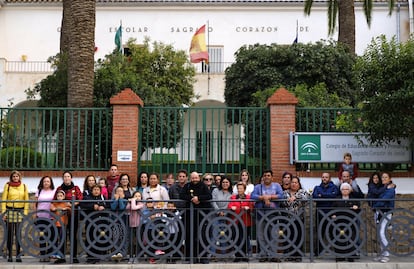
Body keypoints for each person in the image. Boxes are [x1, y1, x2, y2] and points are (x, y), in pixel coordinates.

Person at [251, 169, 284, 262]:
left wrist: (269, 197)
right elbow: (253, 196)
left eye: (268, 175)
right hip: (260, 214)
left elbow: (281, 195)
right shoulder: (258, 187)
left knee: (274, 235)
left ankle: (273, 255)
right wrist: (263, 197)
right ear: (263, 177)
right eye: (265, 175)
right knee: (261, 235)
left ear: (272, 177)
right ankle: (263, 255)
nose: (266, 177)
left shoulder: (277, 186)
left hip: (273, 215)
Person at [180, 171, 212, 264]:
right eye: (193, 178)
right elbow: (182, 195)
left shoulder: (203, 185)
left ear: (199, 178)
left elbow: (209, 196)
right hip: (189, 216)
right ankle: (190, 257)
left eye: (196, 178)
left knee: (203, 236)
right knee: (190, 236)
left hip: (202, 216)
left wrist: (199, 198)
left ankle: (203, 257)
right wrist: (191, 199)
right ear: (190, 178)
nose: (195, 179)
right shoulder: (187, 186)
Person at [53, 170, 83, 264]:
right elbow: (54, 200)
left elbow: (80, 199)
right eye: (65, 177)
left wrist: (72, 205)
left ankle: (73, 257)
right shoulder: (59, 188)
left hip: (73, 215)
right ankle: (61, 257)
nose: (66, 178)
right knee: (62, 236)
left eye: (68, 176)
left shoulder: (76, 188)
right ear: (63, 178)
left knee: (73, 236)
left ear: (71, 178)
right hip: (61, 216)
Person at [1, 170, 29, 263]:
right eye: (14, 176)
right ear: (11, 178)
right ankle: (9, 254)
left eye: (17, 176)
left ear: (19, 177)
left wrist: (25, 213)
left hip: (19, 212)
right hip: (9, 211)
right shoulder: (8, 186)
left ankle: (18, 255)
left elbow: (26, 200)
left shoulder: (24, 186)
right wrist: (3, 213)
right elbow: (4, 199)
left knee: (18, 234)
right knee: (9, 233)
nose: (15, 178)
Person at [281, 176, 310, 262]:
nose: (294, 184)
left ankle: (297, 255)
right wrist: (289, 200)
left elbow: (306, 199)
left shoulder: (302, 192)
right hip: (287, 219)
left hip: (298, 218)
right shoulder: (285, 192)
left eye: (296, 182)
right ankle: (288, 255)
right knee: (288, 237)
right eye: (292, 182)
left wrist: (295, 197)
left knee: (298, 236)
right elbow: (282, 202)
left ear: (299, 184)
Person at [331, 183, 361, 262]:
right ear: (340, 190)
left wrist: (356, 207)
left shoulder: (354, 199)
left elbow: (359, 210)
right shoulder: (337, 199)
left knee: (351, 239)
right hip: (339, 223)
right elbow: (332, 209)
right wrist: (333, 215)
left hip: (351, 223)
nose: (345, 191)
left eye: (347, 189)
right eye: (343, 189)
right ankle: (340, 256)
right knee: (339, 239)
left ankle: (350, 256)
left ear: (350, 190)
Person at [312, 172, 339, 256]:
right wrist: (327, 196)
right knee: (320, 233)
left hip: (331, 213)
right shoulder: (317, 187)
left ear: (329, 178)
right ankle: (317, 252)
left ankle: (338, 252)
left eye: (326, 177)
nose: (324, 178)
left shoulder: (334, 187)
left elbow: (334, 196)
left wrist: (322, 195)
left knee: (334, 233)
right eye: (323, 177)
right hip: (320, 213)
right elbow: (315, 197)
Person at [81, 184, 108, 264]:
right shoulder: (87, 197)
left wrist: (103, 207)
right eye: (95, 189)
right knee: (90, 239)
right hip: (91, 223)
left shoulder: (103, 198)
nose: (96, 191)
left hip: (102, 223)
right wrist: (93, 206)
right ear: (91, 190)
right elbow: (83, 204)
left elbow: (108, 205)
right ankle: (90, 256)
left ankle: (98, 256)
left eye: (98, 189)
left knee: (100, 239)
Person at [372, 172, 396, 263]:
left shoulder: (390, 189)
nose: (383, 179)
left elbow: (384, 200)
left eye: (386, 177)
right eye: (382, 177)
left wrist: (374, 204)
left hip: (386, 212)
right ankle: (382, 253)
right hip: (379, 212)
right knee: (380, 234)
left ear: (390, 179)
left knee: (382, 233)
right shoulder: (383, 188)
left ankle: (386, 254)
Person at [228, 182, 254, 262]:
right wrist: (232, 207)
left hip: (246, 221)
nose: (239, 190)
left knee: (245, 238)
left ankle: (244, 255)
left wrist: (248, 207)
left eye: (241, 188)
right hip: (235, 221)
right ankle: (237, 256)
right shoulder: (233, 197)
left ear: (244, 189)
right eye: (238, 188)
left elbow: (252, 206)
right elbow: (229, 206)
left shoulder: (248, 197)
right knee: (236, 238)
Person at [35, 176, 56, 262]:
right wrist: (35, 213)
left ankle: (49, 254)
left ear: (51, 182)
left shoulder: (54, 191)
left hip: (51, 217)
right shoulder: (39, 191)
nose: (46, 183)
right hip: (40, 216)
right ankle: (43, 255)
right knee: (42, 236)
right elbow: (35, 203)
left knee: (51, 236)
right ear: (42, 182)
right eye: (45, 181)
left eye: (48, 181)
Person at [211, 176, 233, 255]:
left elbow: (230, 204)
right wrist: (218, 211)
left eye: (227, 182)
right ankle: (212, 254)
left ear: (229, 183)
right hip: (215, 216)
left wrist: (225, 212)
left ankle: (223, 254)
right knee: (214, 234)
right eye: (223, 182)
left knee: (224, 235)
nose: (225, 184)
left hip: (226, 217)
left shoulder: (231, 193)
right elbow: (213, 201)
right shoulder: (216, 190)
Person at [50, 190, 71, 263]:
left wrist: (66, 208)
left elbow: (70, 209)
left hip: (63, 224)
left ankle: (61, 254)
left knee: (62, 239)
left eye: (61, 196)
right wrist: (55, 208)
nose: (59, 197)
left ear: (64, 197)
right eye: (58, 196)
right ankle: (54, 253)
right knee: (54, 239)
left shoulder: (65, 203)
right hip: (55, 224)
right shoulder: (54, 203)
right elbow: (51, 208)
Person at [110, 186, 128, 261]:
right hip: (114, 222)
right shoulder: (113, 200)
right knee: (115, 237)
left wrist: (120, 199)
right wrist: (116, 199)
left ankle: (122, 253)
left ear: (123, 194)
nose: (119, 193)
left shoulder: (124, 200)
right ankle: (116, 252)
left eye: (121, 191)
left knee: (123, 237)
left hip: (123, 221)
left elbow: (122, 207)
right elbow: (113, 207)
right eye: (117, 191)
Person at [126, 191, 145, 263]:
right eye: (135, 196)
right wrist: (130, 202)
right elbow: (127, 208)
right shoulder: (131, 203)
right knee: (131, 241)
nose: (137, 197)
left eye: (139, 196)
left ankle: (137, 257)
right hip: (131, 224)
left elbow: (134, 208)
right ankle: (131, 256)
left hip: (139, 225)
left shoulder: (141, 204)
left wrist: (132, 200)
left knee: (138, 241)